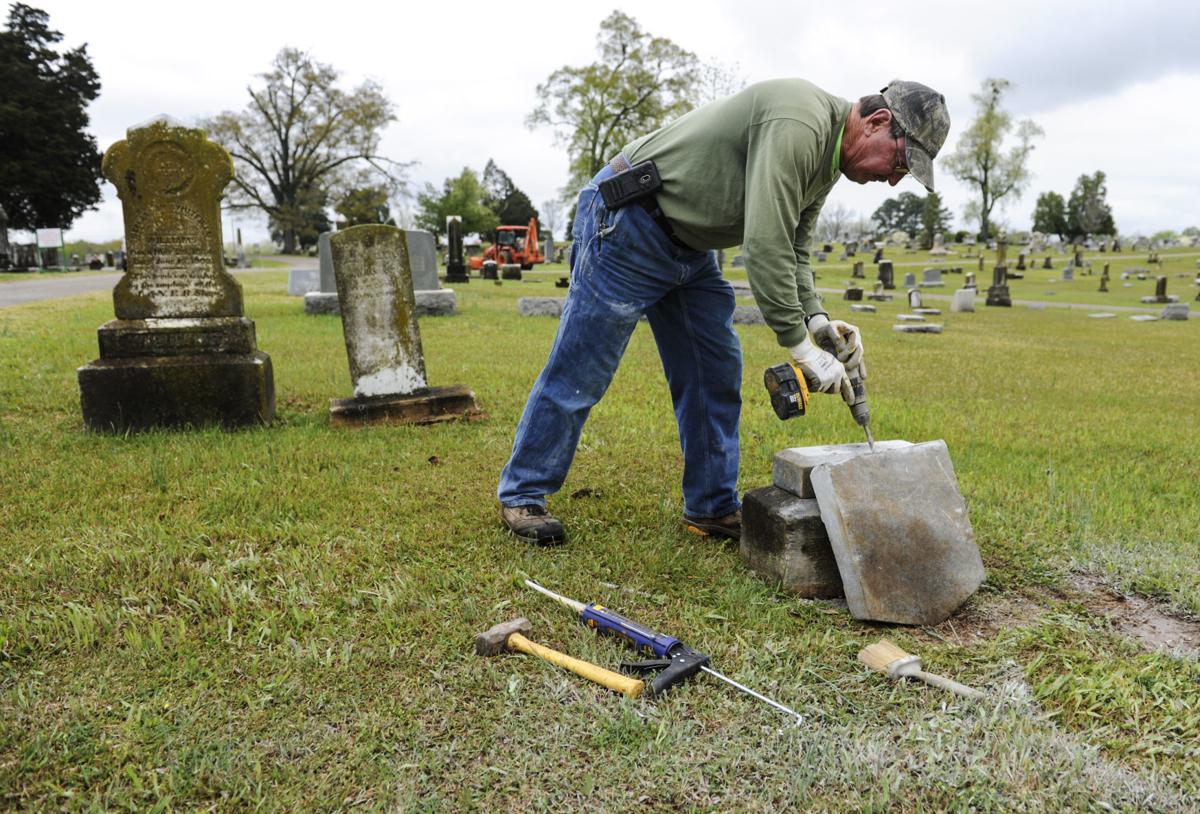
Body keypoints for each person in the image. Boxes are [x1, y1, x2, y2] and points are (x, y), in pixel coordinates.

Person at [498, 78, 950, 546]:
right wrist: (798, 346)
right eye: (899, 163)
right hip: (629, 219)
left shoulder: (829, 158)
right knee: (582, 367)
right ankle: (524, 492)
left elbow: (794, 247)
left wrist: (817, 321)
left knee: (713, 369)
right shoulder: (799, 121)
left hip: (689, 248)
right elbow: (763, 243)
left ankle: (711, 507)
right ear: (877, 122)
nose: (894, 179)